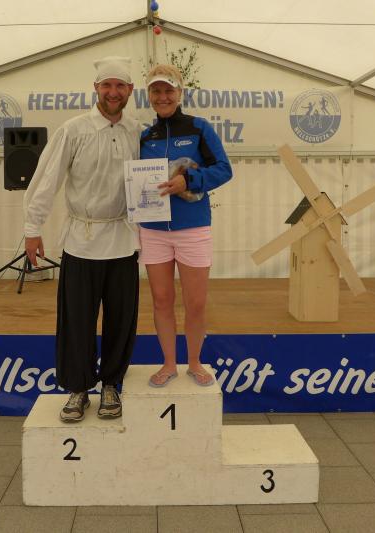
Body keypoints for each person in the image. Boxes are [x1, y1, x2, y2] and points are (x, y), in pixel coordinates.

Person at [23, 56, 141, 422]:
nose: (113, 92)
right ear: (96, 89)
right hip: (81, 241)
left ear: (130, 91)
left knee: (121, 320)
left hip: (123, 241)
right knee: (77, 320)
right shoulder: (73, 130)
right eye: (107, 85)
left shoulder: (138, 132)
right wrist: (32, 228)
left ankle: (111, 385)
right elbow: (48, 179)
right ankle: (78, 388)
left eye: (119, 86)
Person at [139, 64, 233, 387]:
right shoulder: (145, 136)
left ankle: (194, 362)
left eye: (169, 90)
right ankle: (169, 363)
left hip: (193, 229)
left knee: (196, 302)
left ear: (180, 93)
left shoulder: (199, 128)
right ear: (149, 95)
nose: (162, 97)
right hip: (153, 231)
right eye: (156, 91)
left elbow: (224, 169)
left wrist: (189, 180)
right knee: (161, 300)